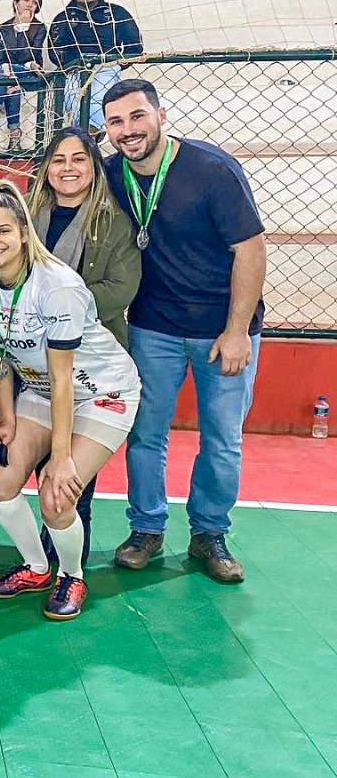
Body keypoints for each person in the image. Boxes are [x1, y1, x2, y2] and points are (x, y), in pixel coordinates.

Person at [101, 79, 266, 583]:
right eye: (115, 122)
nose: (128, 131)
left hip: (224, 330)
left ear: (161, 115)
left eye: (136, 117)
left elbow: (251, 249)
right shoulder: (109, 173)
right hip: (153, 327)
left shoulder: (211, 169)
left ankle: (209, 533)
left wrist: (237, 330)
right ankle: (147, 528)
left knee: (222, 439)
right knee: (146, 434)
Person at [0, 183, 141, 621]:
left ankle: (72, 574)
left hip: (101, 393)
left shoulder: (58, 286)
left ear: (24, 232)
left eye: (3, 230)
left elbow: (64, 376)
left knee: (56, 495)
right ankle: (36, 567)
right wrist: (7, 417)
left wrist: (60, 457)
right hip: (41, 390)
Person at [26, 126, 143, 566]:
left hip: (91, 364)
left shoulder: (113, 222)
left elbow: (122, 287)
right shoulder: (28, 216)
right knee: (44, 462)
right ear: (47, 168)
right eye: (58, 159)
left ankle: (67, 565)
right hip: (35, 360)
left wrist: (58, 309)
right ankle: (42, 549)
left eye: (79, 159)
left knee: (73, 470)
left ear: (94, 168)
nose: (68, 168)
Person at [49, 0, 143, 136]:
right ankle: (86, 136)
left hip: (106, 66)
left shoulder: (116, 13)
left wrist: (118, 63)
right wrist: (72, 64)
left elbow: (135, 45)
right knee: (70, 98)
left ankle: (87, 134)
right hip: (74, 69)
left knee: (100, 95)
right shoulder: (63, 17)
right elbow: (54, 49)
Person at [0, 0, 48, 152]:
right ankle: (15, 135)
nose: (30, 4)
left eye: (35, 2)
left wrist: (25, 27)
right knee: (13, 89)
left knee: (7, 71)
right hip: (6, 75)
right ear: (16, 3)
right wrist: (8, 70)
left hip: (28, 72)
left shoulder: (39, 28)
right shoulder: (1, 29)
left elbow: (28, 56)